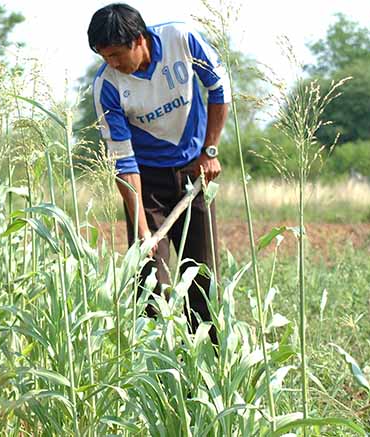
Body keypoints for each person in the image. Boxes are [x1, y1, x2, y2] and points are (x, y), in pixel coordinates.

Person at [87, 4, 230, 337]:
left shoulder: (182, 38)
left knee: (203, 279)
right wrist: (141, 231)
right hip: (146, 184)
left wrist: (210, 151)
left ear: (139, 40)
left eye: (117, 55)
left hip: (195, 172)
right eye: (104, 57)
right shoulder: (107, 86)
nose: (113, 64)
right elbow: (123, 161)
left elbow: (218, 87)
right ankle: (158, 373)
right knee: (151, 283)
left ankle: (208, 370)